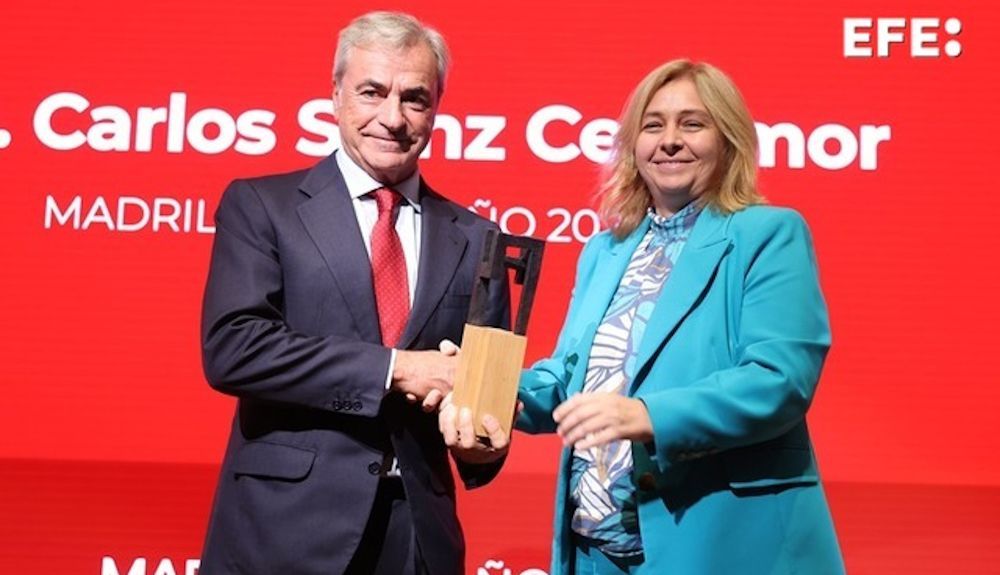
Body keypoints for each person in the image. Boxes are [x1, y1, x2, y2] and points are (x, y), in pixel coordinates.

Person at [199, 11, 509, 575]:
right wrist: (398, 369)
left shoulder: (478, 238)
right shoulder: (264, 206)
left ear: (437, 107)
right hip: (284, 531)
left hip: (418, 541)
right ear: (337, 95)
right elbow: (235, 349)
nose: (393, 118)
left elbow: (483, 416)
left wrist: (481, 437)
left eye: (415, 98)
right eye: (372, 92)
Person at [508, 60, 845, 573]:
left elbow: (780, 380)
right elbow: (567, 380)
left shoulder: (766, 234)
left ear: (728, 139)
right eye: (652, 125)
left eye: (692, 123)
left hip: (719, 547)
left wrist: (648, 414)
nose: (669, 141)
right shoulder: (606, 249)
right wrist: (482, 387)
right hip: (598, 552)